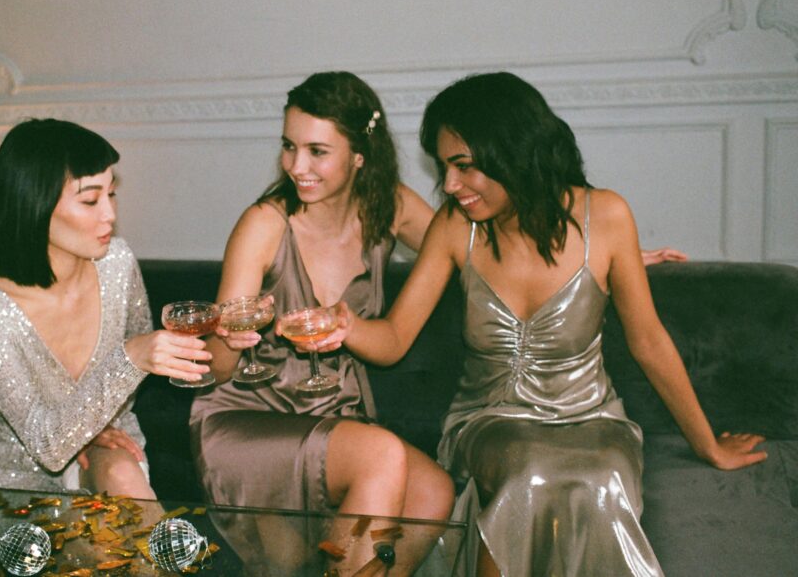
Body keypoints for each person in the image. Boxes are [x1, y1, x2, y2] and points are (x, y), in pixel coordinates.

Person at [326, 72, 767, 577]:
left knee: (598, 480)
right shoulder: (455, 227)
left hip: (593, 420)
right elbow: (395, 338)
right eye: (445, 168)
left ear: (514, 153)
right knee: (530, 473)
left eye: (463, 166)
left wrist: (709, 445)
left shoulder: (607, 216)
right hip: (489, 422)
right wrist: (348, 327)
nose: (449, 185)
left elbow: (649, 342)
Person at [190, 72, 455, 575]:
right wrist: (227, 335)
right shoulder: (264, 223)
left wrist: (574, 252)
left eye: (317, 151)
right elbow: (218, 369)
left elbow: (472, 243)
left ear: (360, 156)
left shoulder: (388, 206)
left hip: (334, 414)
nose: (296, 166)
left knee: (433, 490)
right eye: (289, 146)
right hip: (248, 418)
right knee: (379, 455)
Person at [0, 118, 211, 498]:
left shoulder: (117, 263)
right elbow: (49, 447)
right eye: (90, 199)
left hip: (109, 443)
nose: (109, 214)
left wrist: (88, 423)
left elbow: (128, 389)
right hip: (13, 484)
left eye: (111, 194)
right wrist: (130, 358)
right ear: (35, 205)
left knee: (122, 475)